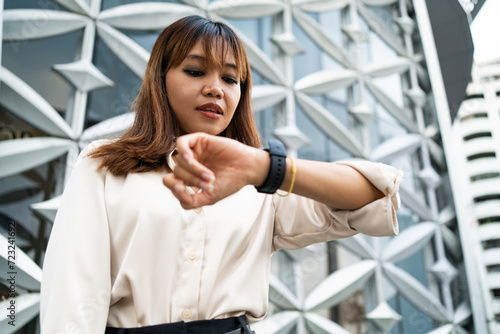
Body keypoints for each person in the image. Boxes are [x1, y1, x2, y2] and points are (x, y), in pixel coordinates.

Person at [40, 15, 402, 334]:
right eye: (195, 71)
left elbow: (374, 195)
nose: (215, 87)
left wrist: (264, 167)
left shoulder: (261, 184)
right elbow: (72, 299)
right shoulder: (103, 165)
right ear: (160, 79)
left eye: (230, 78)